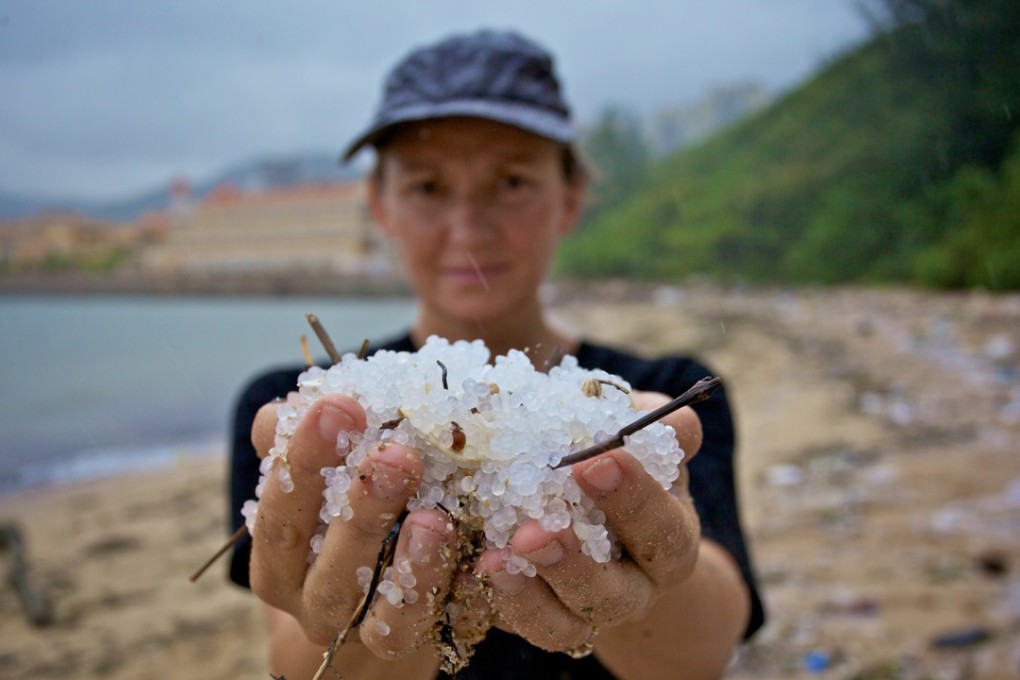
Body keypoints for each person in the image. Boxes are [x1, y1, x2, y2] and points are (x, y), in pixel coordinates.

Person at [228, 29, 764, 679]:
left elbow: (704, 652)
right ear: (379, 206)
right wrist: (366, 611)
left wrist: (651, 569)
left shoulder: (659, 394)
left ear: (570, 198)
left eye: (510, 181)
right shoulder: (306, 411)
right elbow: (293, 657)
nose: (469, 228)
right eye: (428, 187)